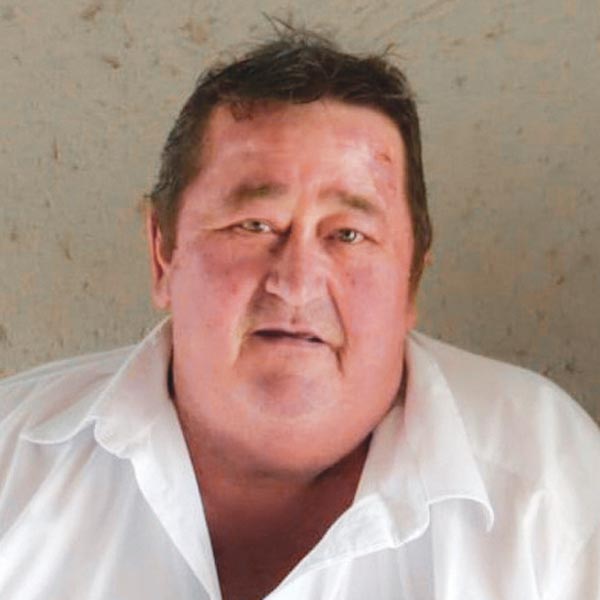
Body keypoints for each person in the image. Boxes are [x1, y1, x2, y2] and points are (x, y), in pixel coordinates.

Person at [1, 27, 599, 600]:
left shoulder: (550, 485)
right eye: (254, 225)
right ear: (163, 254)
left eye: (349, 234)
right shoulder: (12, 462)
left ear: (412, 280)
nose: (295, 283)